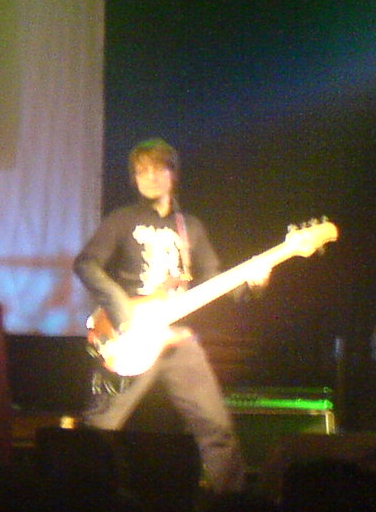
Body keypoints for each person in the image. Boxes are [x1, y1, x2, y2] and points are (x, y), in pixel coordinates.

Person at [73, 138, 256, 494]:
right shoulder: (122, 220)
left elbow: (213, 280)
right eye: (141, 171)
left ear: (174, 174)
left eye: (158, 169)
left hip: (176, 337)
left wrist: (251, 283)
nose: (150, 177)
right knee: (100, 428)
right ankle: (84, 503)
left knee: (216, 428)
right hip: (131, 335)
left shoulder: (191, 227)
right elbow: (86, 264)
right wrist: (121, 309)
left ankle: (230, 508)